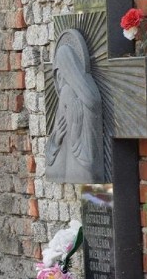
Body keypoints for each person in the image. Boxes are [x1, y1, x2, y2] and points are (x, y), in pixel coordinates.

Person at [45, 29, 104, 183]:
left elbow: (88, 152)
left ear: (70, 70)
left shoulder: (80, 95)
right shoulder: (66, 94)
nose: (59, 78)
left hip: (89, 169)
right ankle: (99, 204)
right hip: (79, 170)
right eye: (56, 73)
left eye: (61, 72)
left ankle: (99, 204)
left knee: (99, 202)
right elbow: (56, 138)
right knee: (97, 203)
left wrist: (76, 132)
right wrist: (56, 138)